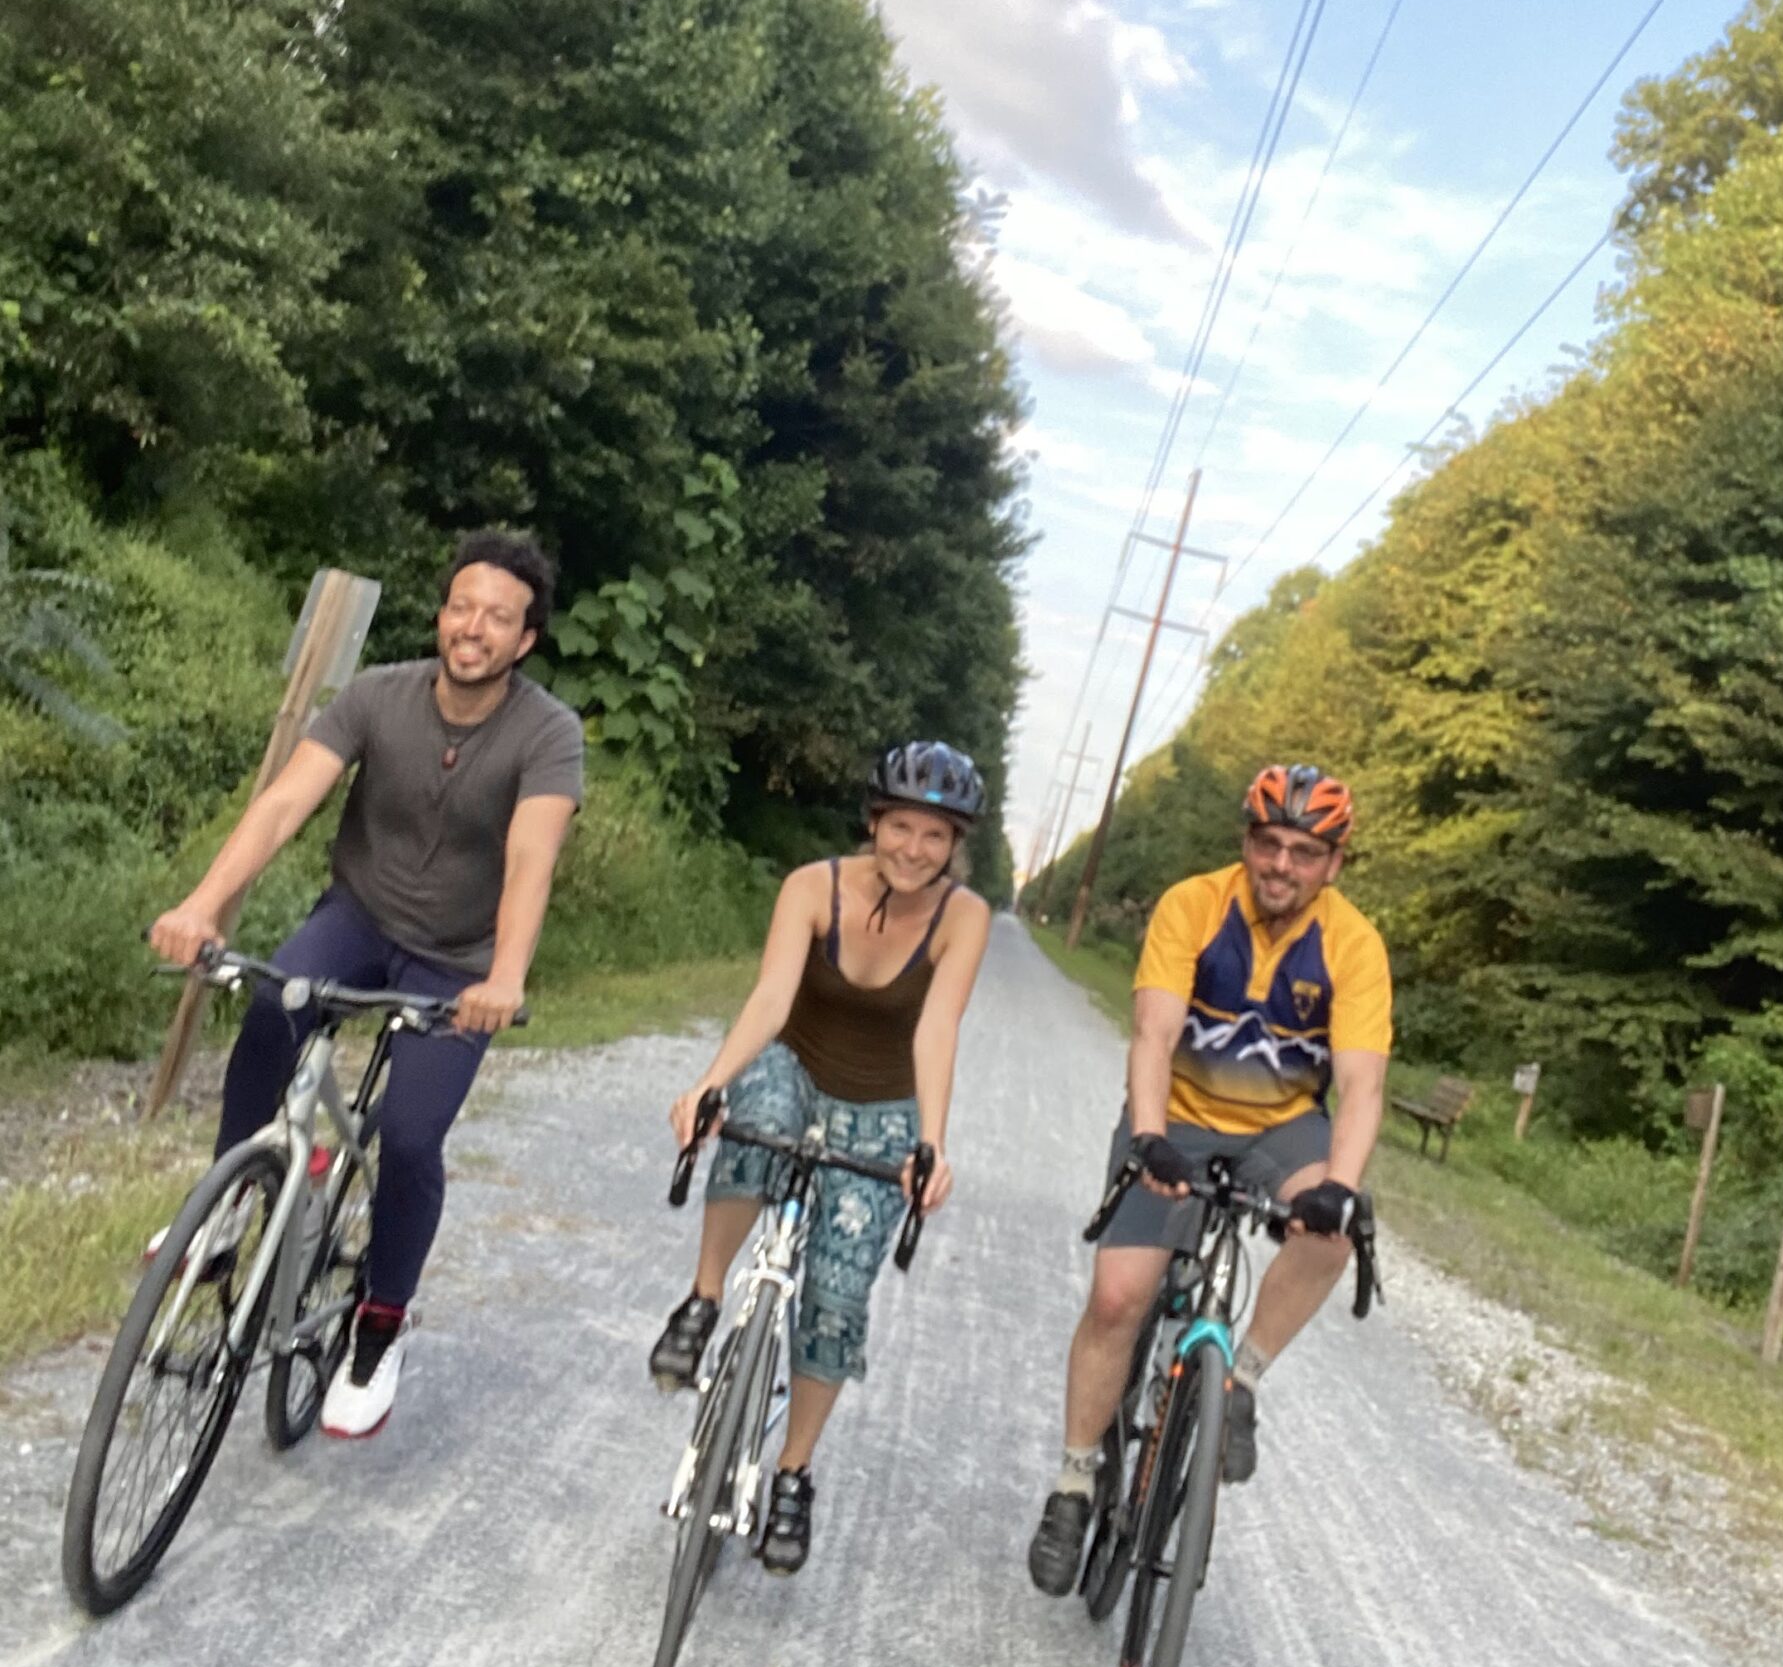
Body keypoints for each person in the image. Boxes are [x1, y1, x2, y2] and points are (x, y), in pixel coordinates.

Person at [148, 532, 583, 1437]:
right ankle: (233, 1206)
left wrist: (506, 976)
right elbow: (284, 803)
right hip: (359, 917)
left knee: (412, 1138)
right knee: (273, 1001)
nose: (473, 627)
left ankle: (380, 1328)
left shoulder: (547, 733)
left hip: (460, 962)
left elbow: (530, 856)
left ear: (525, 640)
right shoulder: (379, 694)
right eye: (462, 606)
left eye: (498, 617)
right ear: (442, 614)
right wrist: (201, 905)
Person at [1026, 762, 1391, 1595]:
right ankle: (1074, 1484)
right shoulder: (1193, 904)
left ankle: (1240, 1377)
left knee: (1334, 1237)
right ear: (1247, 842)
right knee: (1118, 1299)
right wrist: (1150, 1138)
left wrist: (1338, 1185)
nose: (1282, 865)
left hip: (1280, 1125)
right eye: (1269, 843)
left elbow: (1362, 1084)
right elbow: (1154, 1035)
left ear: (1334, 864)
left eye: (1305, 851)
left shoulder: (1354, 944)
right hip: (1178, 1116)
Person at [651, 740, 992, 1574]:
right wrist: (708, 1085)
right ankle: (702, 1299)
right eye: (901, 826)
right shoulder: (813, 887)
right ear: (873, 822)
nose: (914, 848)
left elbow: (937, 1028)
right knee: (752, 1116)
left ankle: (793, 1474)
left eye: (936, 836)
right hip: (795, 1066)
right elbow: (771, 999)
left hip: (883, 1109)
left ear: (955, 846)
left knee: (836, 1301)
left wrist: (931, 1144)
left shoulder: (963, 918)